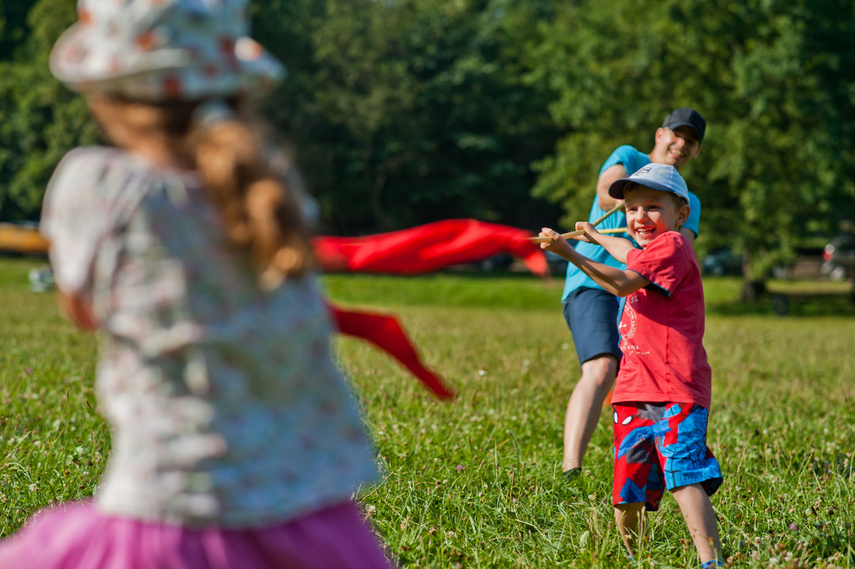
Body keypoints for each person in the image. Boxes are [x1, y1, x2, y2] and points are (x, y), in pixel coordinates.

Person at [0, 1, 394, 568]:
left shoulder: (99, 185)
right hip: (312, 520)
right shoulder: (269, 184)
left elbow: (81, 308)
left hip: (169, 512)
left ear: (104, 96)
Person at [538, 163, 724, 568]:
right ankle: (636, 560)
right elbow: (629, 253)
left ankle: (711, 561)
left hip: (675, 390)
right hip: (632, 392)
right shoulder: (649, 249)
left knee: (684, 479)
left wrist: (570, 253)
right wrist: (597, 236)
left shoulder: (674, 245)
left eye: (653, 206)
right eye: (632, 208)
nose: (640, 216)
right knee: (626, 496)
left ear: (681, 214)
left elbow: (622, 282)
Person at [560, 108, 707, 479]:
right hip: (592, 282)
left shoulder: (687, 202)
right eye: (676, 134)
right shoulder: (628, 158)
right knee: (602, 366)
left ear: (697, 152)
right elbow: (604, 193)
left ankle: (649, 463)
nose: (682, 144)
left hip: (641, 293)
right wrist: (642, 210)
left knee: (639, 379)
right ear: (660, 134)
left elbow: (675, 250)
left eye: (691, 141)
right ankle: (571, 468)